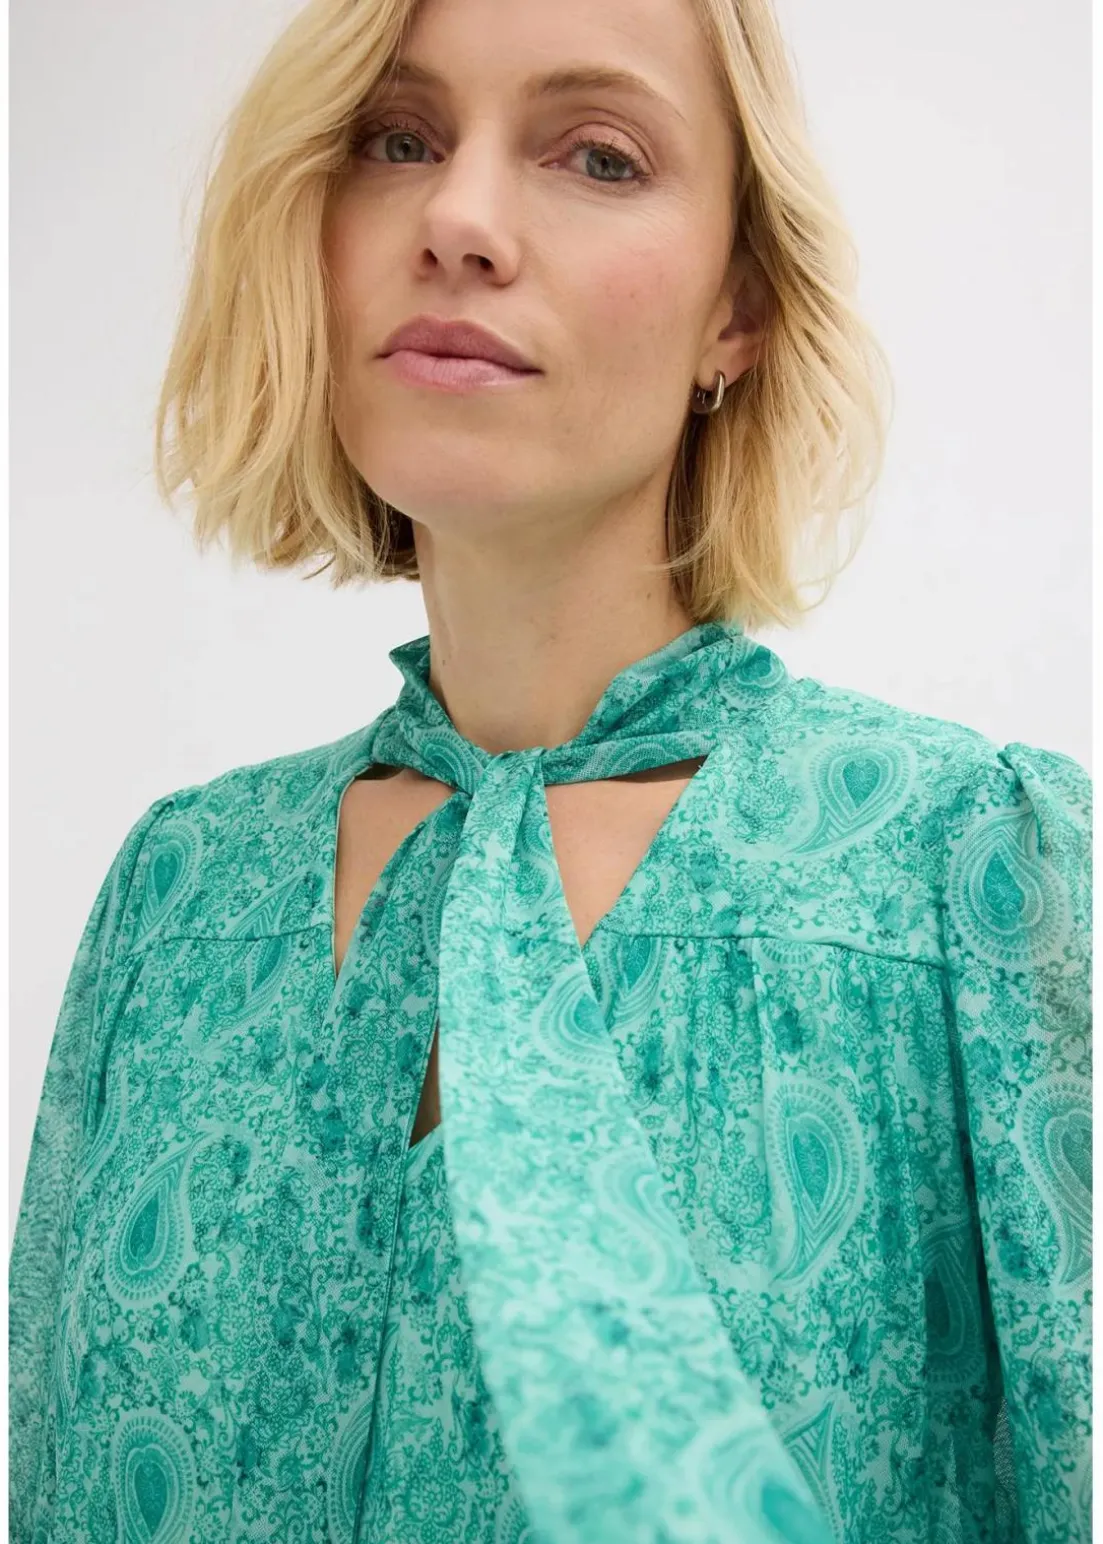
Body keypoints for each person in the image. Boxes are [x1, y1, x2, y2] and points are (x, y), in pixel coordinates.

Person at [9, 0, 1091, 1537]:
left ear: (737, 309)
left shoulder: (965, 874)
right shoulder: (178, 896)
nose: (457, 220)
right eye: (397, 139)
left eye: (598, 156)